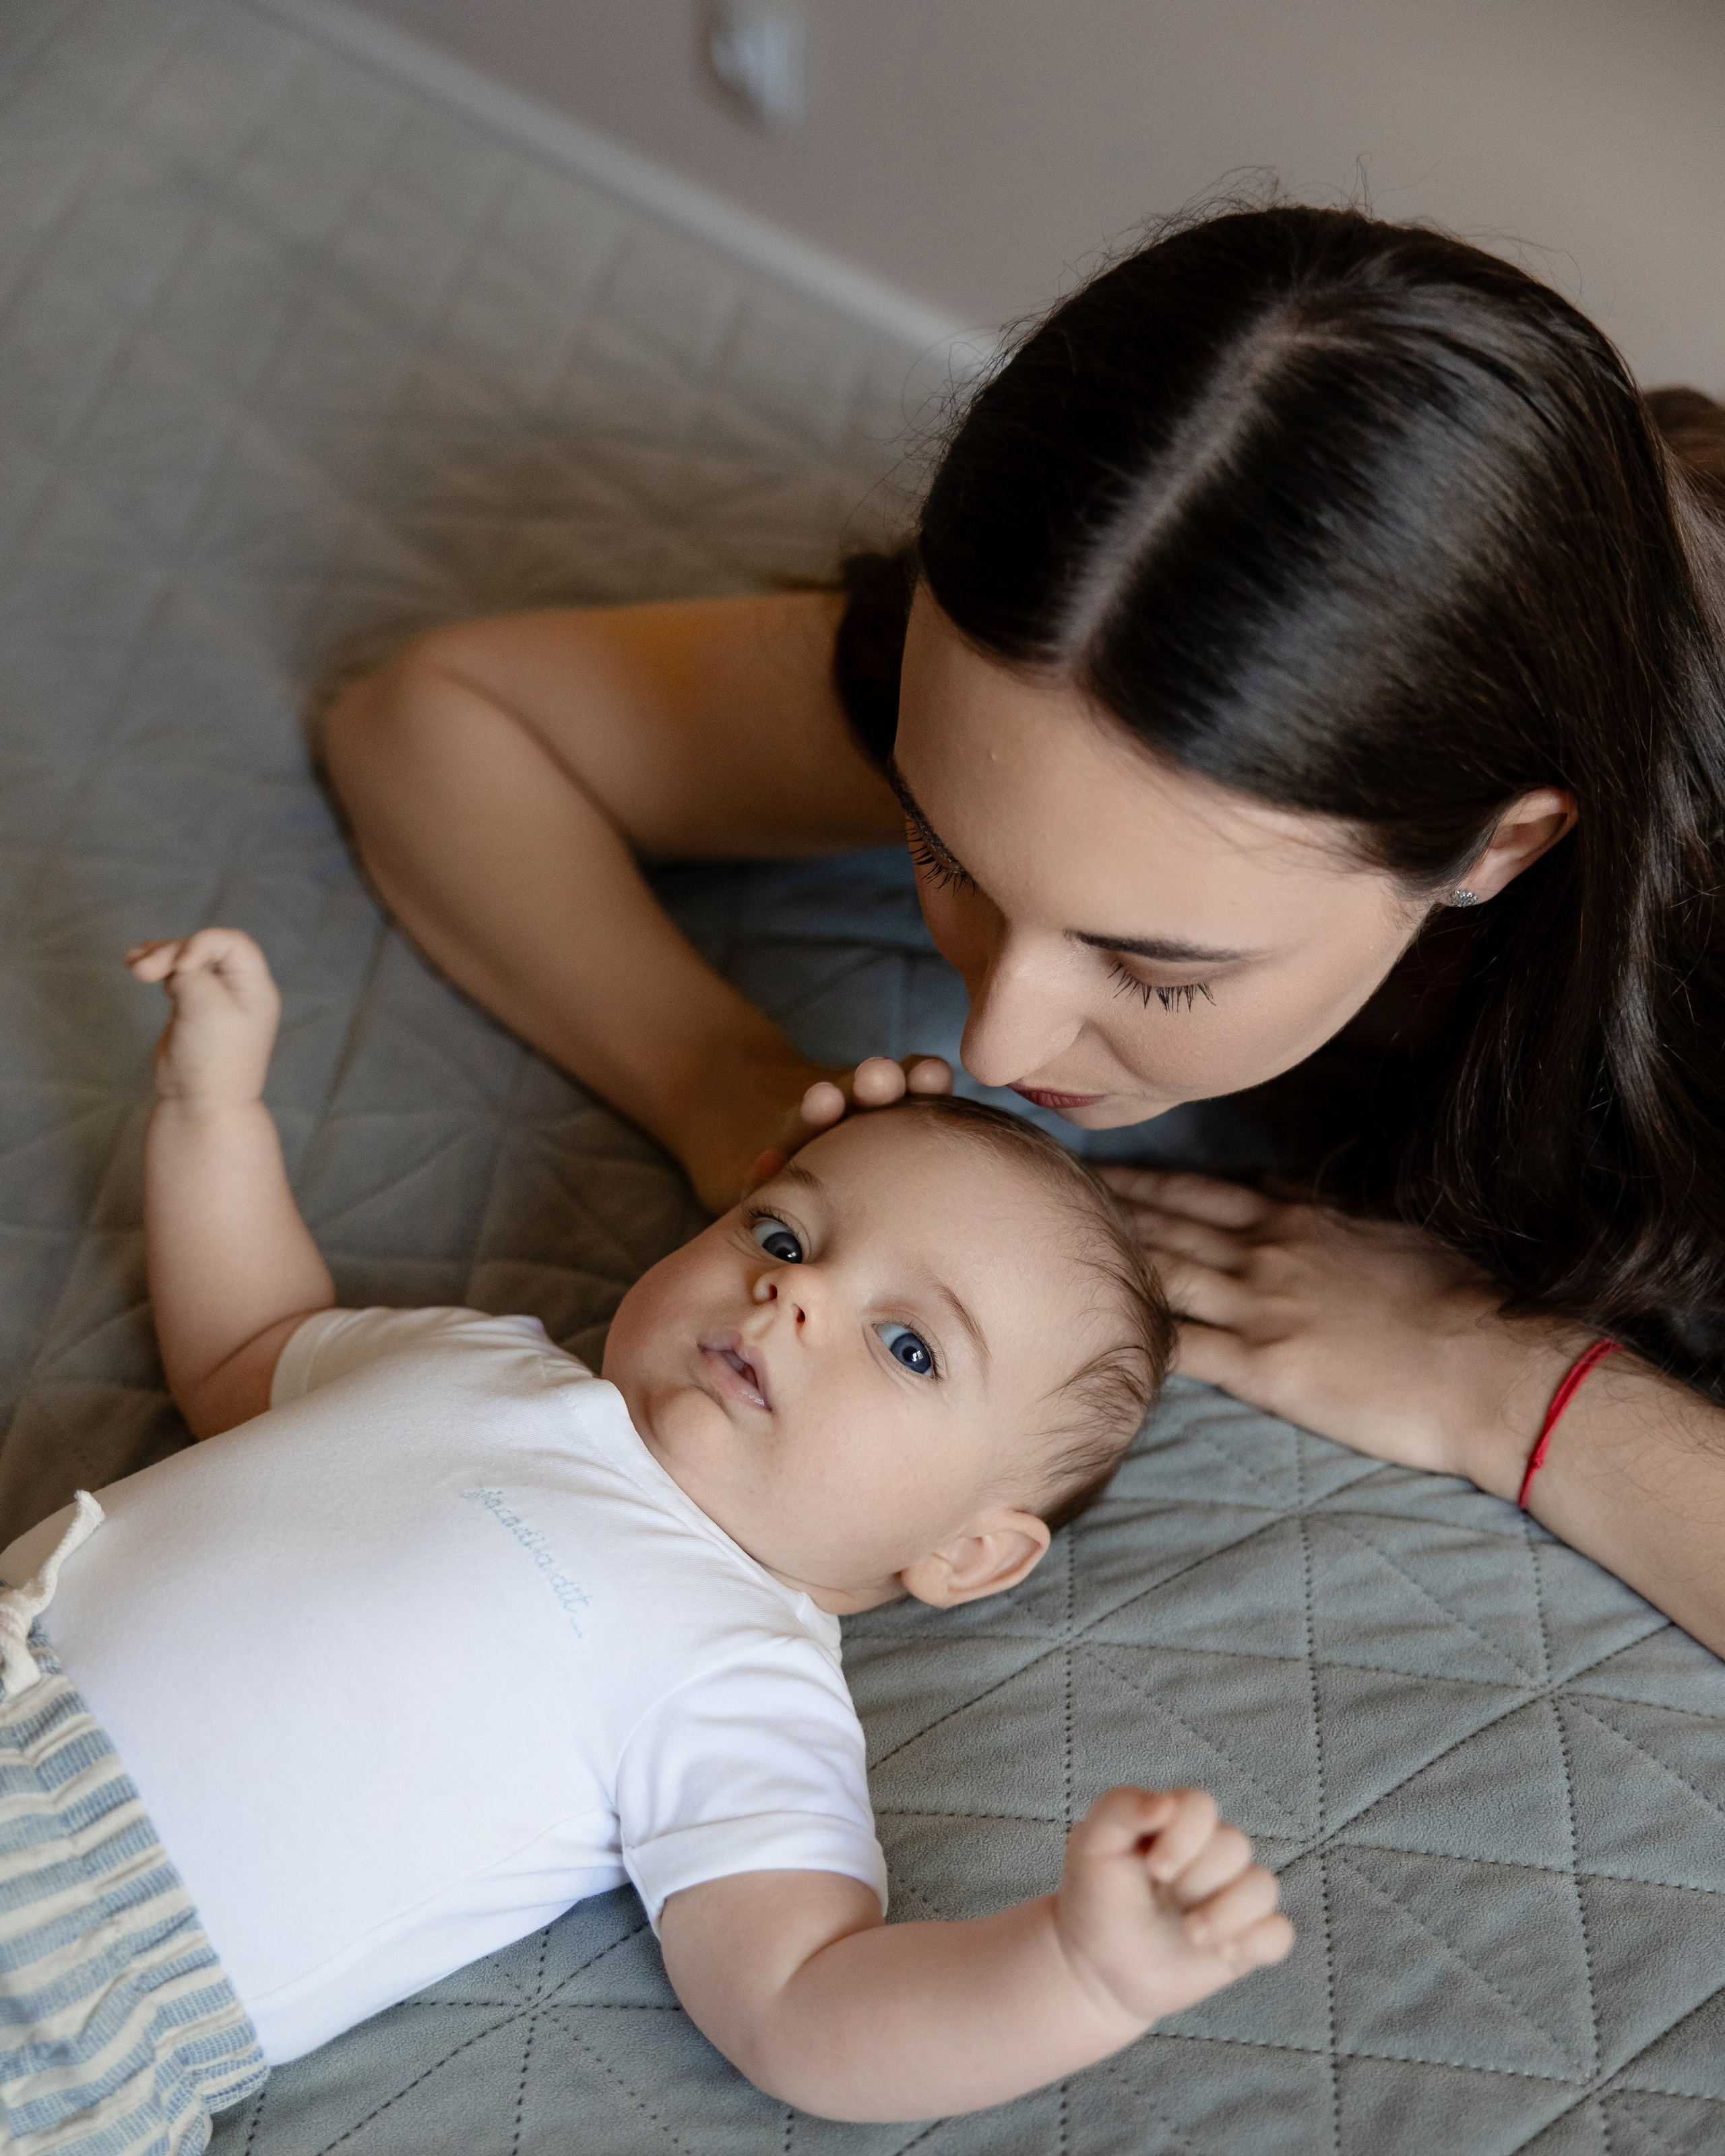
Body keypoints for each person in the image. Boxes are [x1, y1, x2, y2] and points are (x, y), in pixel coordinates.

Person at [319, 204, 1725, 1661]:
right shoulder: (1102, 614)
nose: (994, 1036)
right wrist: (724, 1090)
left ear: (1501, 846)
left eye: (1153, 964)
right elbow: (437, 727)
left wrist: (1505, 1389)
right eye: (943, 848)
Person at [0, 928, 1290, 2156]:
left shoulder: (737, 1673)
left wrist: (1076, 1975)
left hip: (60, 1945)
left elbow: (803, 2005)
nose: (794, 1292)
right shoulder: (476, 1361)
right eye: (785, 1230)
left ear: (967, 1554)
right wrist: (212, 1111)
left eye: (906, 1345)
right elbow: (244, 1354)